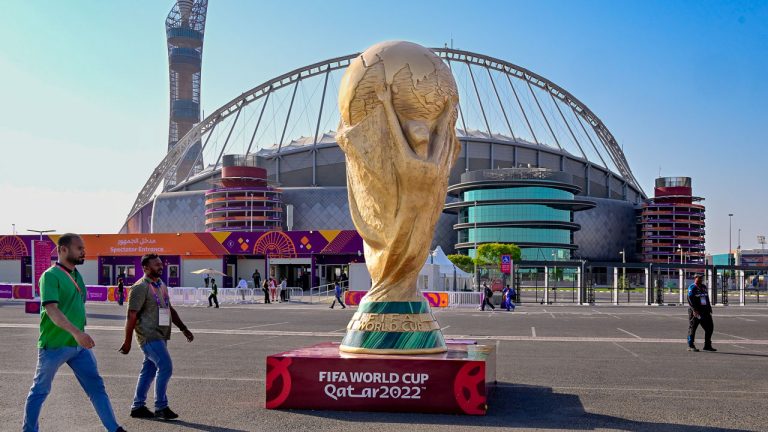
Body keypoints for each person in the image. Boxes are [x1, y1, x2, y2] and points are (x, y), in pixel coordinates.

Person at [23, 233, 126, 432]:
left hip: (78, 348)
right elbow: (52, 310)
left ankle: (114, 429)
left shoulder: (76, 274)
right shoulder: (50, 276)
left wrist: (79, 336)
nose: (83, 252)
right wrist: (77, 332)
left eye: (83, 248)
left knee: (96, 387)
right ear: (63, 250)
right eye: (79, 248)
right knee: (39, 391)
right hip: (53, 345)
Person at [119, 253, 194, 421]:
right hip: (148, 335)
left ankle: (137, 407)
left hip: (161, 334)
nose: (161, 267)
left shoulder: (161, 285)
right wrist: (127, 341)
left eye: (161, 264)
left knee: (149, 370)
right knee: (165, 366)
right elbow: (131, 315)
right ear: (145, 268)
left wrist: (183, 328)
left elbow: (169, 309)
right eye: (156, 265)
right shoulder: (140, 287)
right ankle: (161, 406)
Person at [687, 274, 716, 352]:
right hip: (696, 311)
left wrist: (709, 307)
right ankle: (691, 345)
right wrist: (694, 310)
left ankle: (707, 345)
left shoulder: (704, 287)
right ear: (695, 278)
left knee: (710, 328)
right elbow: (690, 299)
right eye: (698, 278)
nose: (700, 279)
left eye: (701, 278)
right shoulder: (692, 287)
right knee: (693, 328)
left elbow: (706, 298)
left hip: (705, 311)